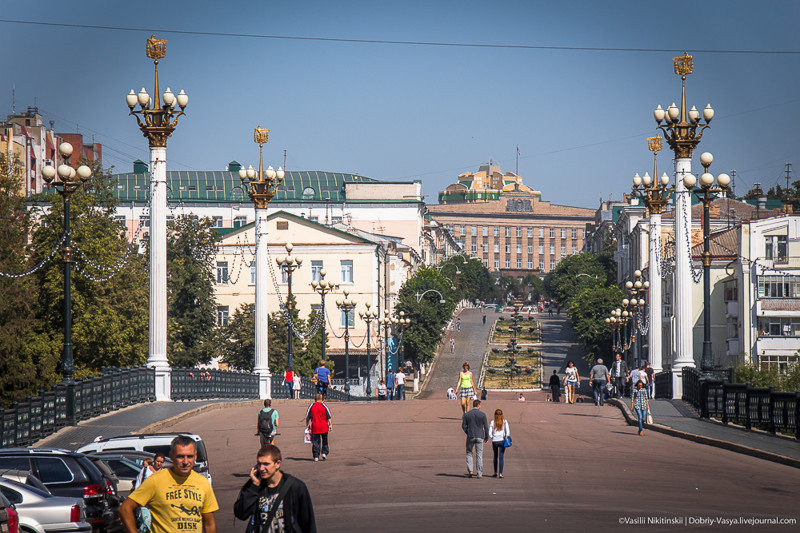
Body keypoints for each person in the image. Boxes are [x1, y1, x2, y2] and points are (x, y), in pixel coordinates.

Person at [120, 436, 218, 533]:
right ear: (171, 455)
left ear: (195, 456)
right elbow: (125, 508)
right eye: (180, 456)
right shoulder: (156, 480)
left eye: (190, 456)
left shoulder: (203, 482)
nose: (185, 461)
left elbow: (209, 522)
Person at [233, 444, 316, 533]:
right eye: (259, 464)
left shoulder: (296, 487)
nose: (261, 468)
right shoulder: (255, 485)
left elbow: (308, 522)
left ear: (278, 464)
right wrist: (254, 487)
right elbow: (241, 514)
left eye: (266, 464)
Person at [462, 399, 489, 478]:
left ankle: (470, 470)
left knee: (469, 452)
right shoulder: (482, 414)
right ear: (478, 405)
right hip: (480, 436)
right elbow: (486, 427)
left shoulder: (467, 414)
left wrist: (468, 432)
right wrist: (486, 437)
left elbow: (463, 426)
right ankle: (479, 473)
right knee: (479, 455)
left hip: (470, 435)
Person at [305, 394, 332, 462]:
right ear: (321, 398)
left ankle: (316, 456)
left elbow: (307, 417)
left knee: (316, 442)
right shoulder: (324, 406)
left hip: (315, 427)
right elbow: (329, 416)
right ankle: (324, 453)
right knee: (325, 441)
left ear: (314, 399)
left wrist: (307, 425)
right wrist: (330, 424)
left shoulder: (311, 406)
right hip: (324, 426)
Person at [488, 408, 510, 478]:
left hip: (495, 441)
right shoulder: (505, 422)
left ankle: (495, 472)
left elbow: (489, 433)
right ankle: (500, 473)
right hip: (502, 440)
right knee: (501, 457)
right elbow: (508, 432)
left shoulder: (492, 422)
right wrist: (505, 436)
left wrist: (492, 437)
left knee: (495, 456)